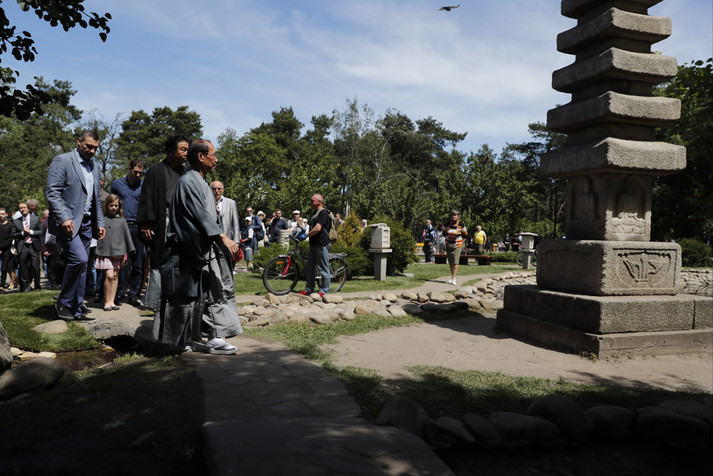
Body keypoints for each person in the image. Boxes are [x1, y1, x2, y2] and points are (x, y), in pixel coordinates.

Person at [153, 139, 242, 355]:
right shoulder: (188, 182)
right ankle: (177, 342)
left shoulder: (202, 182)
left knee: (210, 294)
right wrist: (222, 236)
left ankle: (212, 337)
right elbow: (199, 215)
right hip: (184, 251)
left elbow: (210, 216)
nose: (216, 159)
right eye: (214, 154)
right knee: (182, 298)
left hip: (202, 249)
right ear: (201, 157)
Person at [46, 129, 105, 321]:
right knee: (79, 259)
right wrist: (64, 218)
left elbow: (95, 199)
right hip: (68, 223)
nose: (92, 151)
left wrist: (100, 222)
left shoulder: (95, 166)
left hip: (87, 223)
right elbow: (53, 192)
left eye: (95, 148)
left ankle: (76, 307)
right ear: (79, 141)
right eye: (89, 146)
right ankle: (63, 302)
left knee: (84, 266)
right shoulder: (62, 160)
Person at [137, 134, 189, 311]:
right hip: (162, 218)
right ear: (170, 151)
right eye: (182, 149)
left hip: (181, 220)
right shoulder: (155, 171)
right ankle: (152, 302)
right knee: (159, 259)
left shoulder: (186, 173)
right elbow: (147, 197)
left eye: (187, 149)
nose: (186, 153)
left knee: (180, 260)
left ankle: (174, 300)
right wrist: (146, 223)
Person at [111, 159, 146, 306]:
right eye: (135, 172)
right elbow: (111, 203)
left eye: (140, 173)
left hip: (138, 226)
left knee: (138, 263)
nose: (138, 175)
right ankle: (119, 292)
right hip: (121, 226)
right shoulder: (117, 184)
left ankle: (134, 294)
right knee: (121, 262)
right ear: (129, 168)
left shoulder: (144, 185)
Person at [95, 194, 135, 312]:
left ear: (119, 207)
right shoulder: (102, 220)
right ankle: (107, 302)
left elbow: (126, 238)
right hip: (105, 252)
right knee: (109, 276)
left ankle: (112, 301)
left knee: (116, 276)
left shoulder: (122, 221)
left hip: (119, 253)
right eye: (111, 205)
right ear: (106, 206)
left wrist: (126, 254)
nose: (113, 208)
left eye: (116, 206)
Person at [297, 194, 331, 297]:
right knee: (310, 268)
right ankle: (309, 289)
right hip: (313, 244)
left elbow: (318, 228)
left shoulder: (323, 213)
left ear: (319, 202)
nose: (310, 202)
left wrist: (306, 235)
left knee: (323, 268)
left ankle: (324, 291)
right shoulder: (314, 213)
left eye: (312, 201)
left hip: (322, 244)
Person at [11, 202, 42, 292]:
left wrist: (30, 232)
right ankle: (26, 286)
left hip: (33, 246)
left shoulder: (36, 219)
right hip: (22, 246)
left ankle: (37, 286)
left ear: (28, 208)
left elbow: (41, 231)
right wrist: (22, 233)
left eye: (24, 207)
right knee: (23, 267)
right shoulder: (16, 221)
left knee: (36, 267)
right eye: (21, 208)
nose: (23, 209)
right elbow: (13, 234)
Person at [445, 210, 467, 286]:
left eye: (455, 215)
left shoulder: (461, 224)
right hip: (448, 244)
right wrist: (446, 238)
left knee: (455, 261)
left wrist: (462, 241)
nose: (454, 216)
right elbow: (444, 233)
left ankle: (454, 278)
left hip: (457, 245)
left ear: (458, 216)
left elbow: (465, 234)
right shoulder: (447, 224)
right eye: (452, 215)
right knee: (450, 262)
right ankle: (452, 276)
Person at [0, 208, 17, 290]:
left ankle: (2, 285)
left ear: (6, 214)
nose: (1, 215)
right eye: (0, 214)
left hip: (6, 249)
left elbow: (11, 238)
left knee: (4, 268)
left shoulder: (10, 225)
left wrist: (1, 247)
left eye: (2, 214)